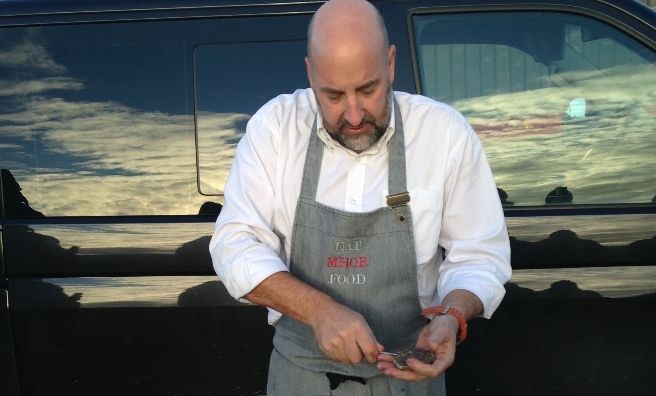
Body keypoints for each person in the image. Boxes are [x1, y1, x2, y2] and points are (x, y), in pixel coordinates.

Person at [209, 0, 511, 394]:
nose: (353, 115)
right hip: (301, 378)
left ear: (390, 64)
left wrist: (452, 316)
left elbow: (479, 256)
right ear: (309, 73)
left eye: (368, 90)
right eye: (332, 95)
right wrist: (319, 311)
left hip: (408, 381)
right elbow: (234, 245)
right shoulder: (274, 129)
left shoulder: (444, 134)